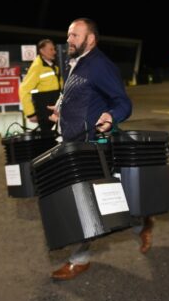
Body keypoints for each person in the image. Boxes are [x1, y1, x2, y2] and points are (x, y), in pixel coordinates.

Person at [48, 18, 154, 281]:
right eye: (68, 34)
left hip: (90, 147)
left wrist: (111, 116)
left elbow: (123, 103)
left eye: (74, 35)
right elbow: (80, 98)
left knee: (86, 205)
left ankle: (79, 259)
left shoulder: (100, 66)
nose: (69, 39)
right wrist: (60, 114)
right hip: (72, 143)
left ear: (90, 39)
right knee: (104, 199)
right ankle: (142, 222)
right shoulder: (76, 62)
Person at [19, 39, 62, 136]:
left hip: (56, 107)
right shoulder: (37, 66)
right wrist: (31, 114)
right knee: (49, 140)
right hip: (45, 110)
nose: (54, 52)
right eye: (51, 49)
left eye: (54, 49)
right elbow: (24, 89)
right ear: (42, 50)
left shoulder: (54, 65)